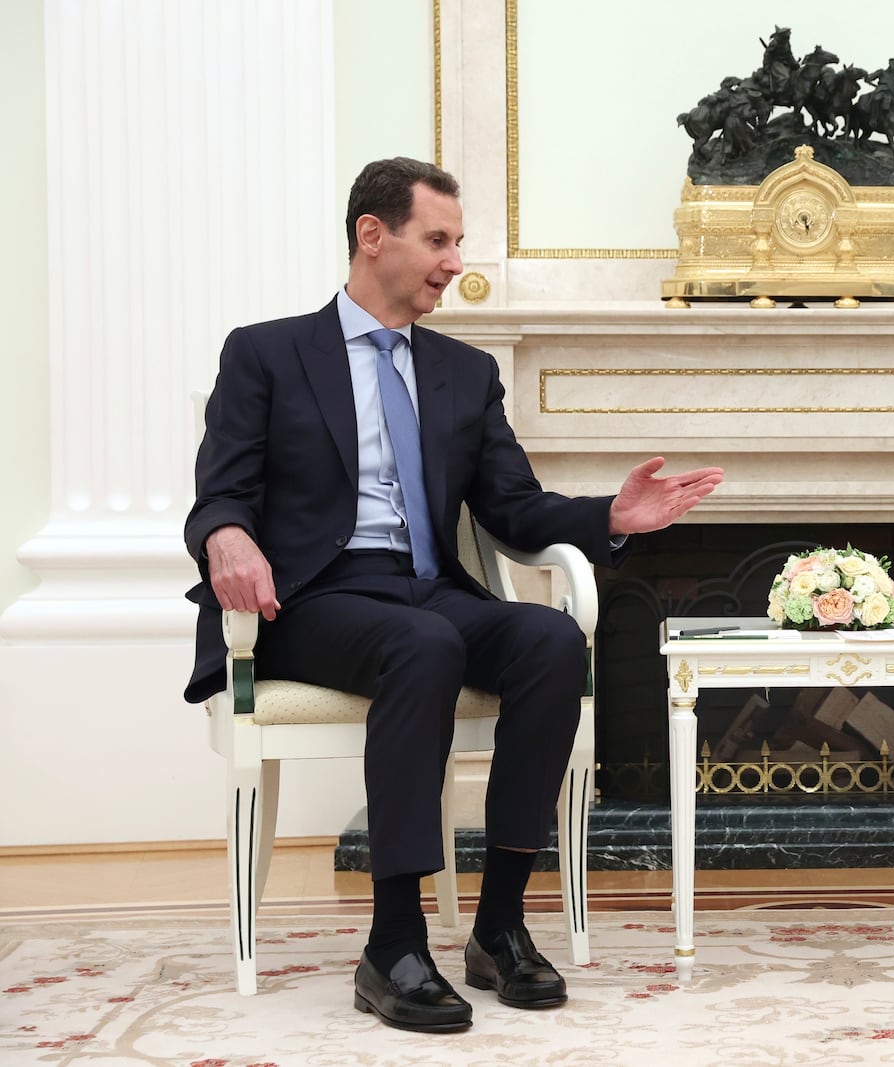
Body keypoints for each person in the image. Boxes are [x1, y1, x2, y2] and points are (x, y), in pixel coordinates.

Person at [182, 157, 723, 1033]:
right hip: (315, 599)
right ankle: (392, 942)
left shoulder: (464, 374)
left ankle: (500, 925)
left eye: (455, 242)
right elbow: (221, 490)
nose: (451, 260)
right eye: (437, 240)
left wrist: (610, 515)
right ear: (373, 236)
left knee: (550, 640)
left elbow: (512, 505)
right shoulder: (267, 352)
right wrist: (226, 536)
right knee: (422, 646)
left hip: (428, 589)